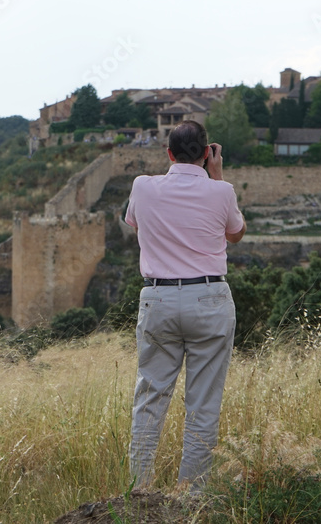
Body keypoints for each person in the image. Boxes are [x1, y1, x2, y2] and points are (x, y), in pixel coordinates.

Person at [124, 119, 246, 493]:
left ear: (168, 153)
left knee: (150, 398)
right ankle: (191, 498)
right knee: (203, 404)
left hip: (158, 297)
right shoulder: (221, 191)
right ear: (208, 153)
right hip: (208, 299)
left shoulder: (142, 187)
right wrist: (217, 174)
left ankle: (139, 492)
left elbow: (135, 224)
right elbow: (235, 234)